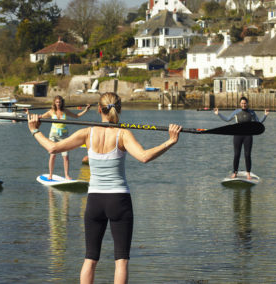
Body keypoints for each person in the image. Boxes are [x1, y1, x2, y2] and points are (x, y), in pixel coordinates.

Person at [27, 92, 182, 284]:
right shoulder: (123, 134)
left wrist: (34, 130)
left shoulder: (87, 132)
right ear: (120, 109)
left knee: (90, 259)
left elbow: (52, 148)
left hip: (94, 202)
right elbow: (144, 157)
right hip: (119, 201)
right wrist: (170, 141)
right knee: (121, 261)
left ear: (99, 109)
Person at [214, 96, 269, 179]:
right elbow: (227, 119)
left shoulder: (251, 112)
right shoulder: (236, 112)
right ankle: (235, 172)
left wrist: (265, 115)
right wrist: (218, 114)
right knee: (237, 154)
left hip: (248, 136)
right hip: (237, 135)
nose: (244, 105)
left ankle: (248, 173)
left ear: (247, 103)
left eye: (245, 103)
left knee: (247, 155)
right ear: (240, 104)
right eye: (242, 103)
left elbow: (258, 122)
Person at [40, 95, 91, 180]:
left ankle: (66, 175)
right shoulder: (51, 112)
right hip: (53, 135)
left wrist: (86, 110)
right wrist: (28, 114)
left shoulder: (65, 111)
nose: (58, 104)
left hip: (64, 135)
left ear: (62, 103)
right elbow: (40, 117)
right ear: (54, 103)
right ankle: (50, 174)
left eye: (59, 102)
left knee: (65, 156)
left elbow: (77, 116)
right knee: (53, 156)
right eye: (56, 102)